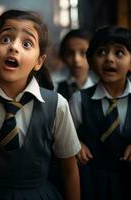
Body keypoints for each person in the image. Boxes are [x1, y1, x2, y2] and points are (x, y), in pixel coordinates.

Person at [0, 10, 81, 200]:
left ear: (39, 61)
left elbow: (70, 171)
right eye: (6, 39)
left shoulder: (57, 105)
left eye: (27, 43)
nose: (14, 47)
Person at [69, 26, 131, 200]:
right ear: (91, 61)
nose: (109, 59)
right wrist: (76, 143)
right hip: (92, 183)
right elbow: (61, 137)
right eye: (102, 52)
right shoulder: (78, 100)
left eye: (119, 53)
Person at [57, 29, 97, 100]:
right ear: (63, 57)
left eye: (83, 53)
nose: (76, 59)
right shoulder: (56, 90)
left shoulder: (99, 89)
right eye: (70, 53)